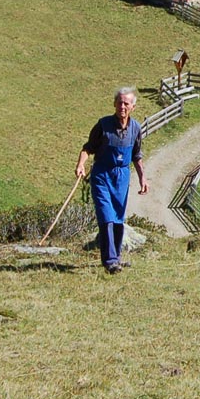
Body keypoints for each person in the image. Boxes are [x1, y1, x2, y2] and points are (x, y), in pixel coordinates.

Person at [75, 87, 149, 274]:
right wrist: (81, 165)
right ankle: (109, 261)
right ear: (114, 104)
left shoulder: (136, 129)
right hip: (102, 175)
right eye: (119, 102)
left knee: (118, 219)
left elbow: (136, 155)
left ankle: (116, 258)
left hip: (122, 178)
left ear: (133, 107)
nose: (122, 106)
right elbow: (87, 148)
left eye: (126, 103)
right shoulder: (103, 125)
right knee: (107, 217)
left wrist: (142, 178)